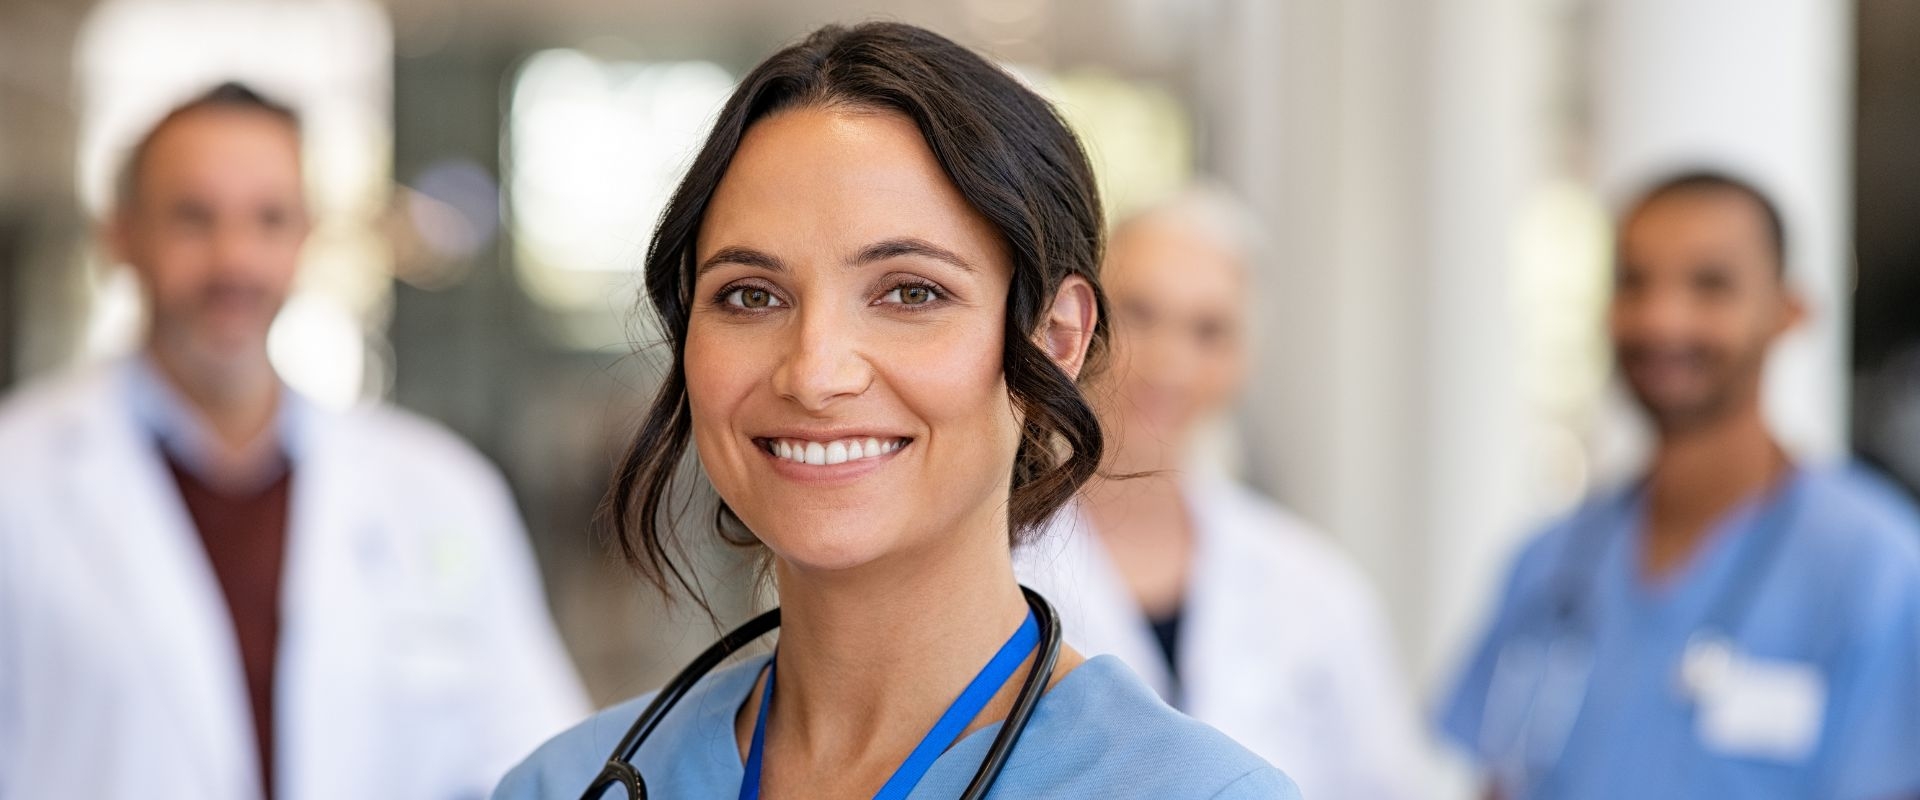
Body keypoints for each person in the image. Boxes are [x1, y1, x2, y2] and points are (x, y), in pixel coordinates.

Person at [492, 23, 1298, 800]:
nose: (813, 373)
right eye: (750, 295)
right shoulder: (564, 785)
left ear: (1056, 339)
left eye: (911, 292)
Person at [0, 82, 586, 799]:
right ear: (120, 236)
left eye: (268, 219)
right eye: (193, 218)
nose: (234, 261)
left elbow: (537, 766)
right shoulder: (19, 481)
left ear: (303, 237)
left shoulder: (440, 491)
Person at [1439, 171, 1920, 799]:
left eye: (1710, 285)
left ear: (1789, 312)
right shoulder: (1548, 564)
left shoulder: (1876, 570)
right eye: (1633, 282)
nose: (1662, 319)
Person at [1014, 187, 1428, 800]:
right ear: (1076, 325)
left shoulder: (1317, 590)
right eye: (1140, 313)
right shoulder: (1000, 560)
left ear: (1244, 359)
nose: (1169, 361)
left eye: (1209, 331)